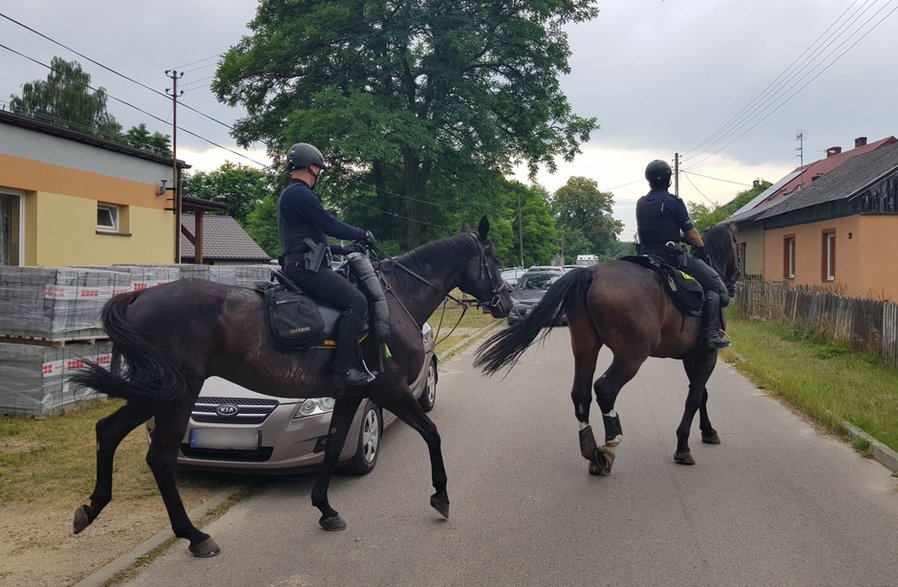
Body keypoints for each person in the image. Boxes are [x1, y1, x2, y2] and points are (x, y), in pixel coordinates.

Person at [277, 142, 377, 386]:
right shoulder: (300, 193)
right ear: (311, 167)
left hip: (304, 263)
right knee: (357, 301)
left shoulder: (292, 194)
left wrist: (344, 249)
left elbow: (314, 241)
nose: (319, 173)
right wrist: (361, 233)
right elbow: (330, 225)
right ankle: (341, 369)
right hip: (306, 270)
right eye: (319, 169)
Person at [635, 159, 731, 349]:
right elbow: (693, 234)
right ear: (669, 180)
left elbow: (659, 229)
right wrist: (702, 249)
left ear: (649, 180)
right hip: (671, 258)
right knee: (717, 288)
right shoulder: (674, 202)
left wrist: (679, 237)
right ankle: (711, 334)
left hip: (645, 257)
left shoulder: (641, 203)